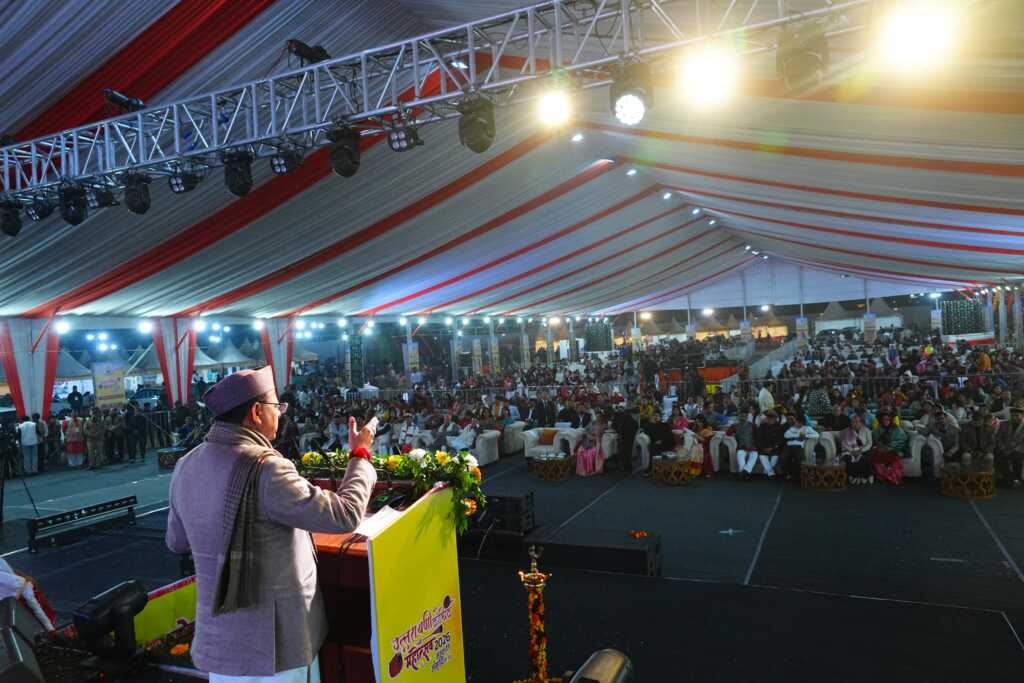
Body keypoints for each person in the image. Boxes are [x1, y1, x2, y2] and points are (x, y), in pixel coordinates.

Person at [165, 366, 378, 680]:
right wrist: (360, 454)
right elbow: (345, 513)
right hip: (275, 649)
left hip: (220, 646)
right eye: (276, 406)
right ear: (256, 412)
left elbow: (176, 542)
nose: (280, 413)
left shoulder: (186, 465)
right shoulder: (266, 469)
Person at [871, 412, 907, 485]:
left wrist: (889, 446)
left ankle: (892, 477)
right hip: (881, 450)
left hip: (894, 449)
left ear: (891, 420)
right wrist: (879, 446)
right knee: (875, 458)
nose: (885, 421)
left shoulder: (897, 429)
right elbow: (875, 441)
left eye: (887, 419)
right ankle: (884, 476)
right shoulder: (877, 430)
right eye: (884, 419)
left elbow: (901, 441)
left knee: (893, 459)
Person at [958, 408, 997, 473]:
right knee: (965, 457)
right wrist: (969, 450)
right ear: (972, 419)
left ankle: (986, 476)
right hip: (970, 450)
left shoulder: (990, 428)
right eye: (975, 421)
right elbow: (962, 441)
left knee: (990, 457)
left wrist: (985, 451)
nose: (977, 422)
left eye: (980, 421)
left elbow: (992, 442)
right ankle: (967, 475)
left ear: (983, 420)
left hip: (985, 450)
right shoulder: (965, 427)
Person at [995, 400, 1024, 488]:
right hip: (1004, 448)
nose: (1014, 417)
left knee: (1017, 458)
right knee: (998, 457)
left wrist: (1013, 450)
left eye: (1017, 416)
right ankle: (1013, 479)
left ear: (1022, 416)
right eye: (1012, 416)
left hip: (1018, 449)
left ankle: (1015, 479)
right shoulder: (1003, 424)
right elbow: (998, 438)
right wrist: (1002, 448)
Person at [839, 414, 873, 485]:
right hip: (849, 451)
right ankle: (854, 476)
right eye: (853, 422)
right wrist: (852, 451)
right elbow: (843, 443)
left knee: (865, 457)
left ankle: (864, 476)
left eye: (857, 421)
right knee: (848, 459)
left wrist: (861, 451)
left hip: (863, 450)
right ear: (851, 423)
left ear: (861, 423)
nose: (855, 423)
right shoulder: (845, 431)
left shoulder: (866, 430)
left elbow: (869, 443)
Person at [783, 412, 818, 480]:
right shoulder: (792, 428)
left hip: (799, 446)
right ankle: (788, 474)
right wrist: (797, 435)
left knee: (799, 458)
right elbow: (786, 435)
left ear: (801, 422)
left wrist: (806, 435)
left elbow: (817, 435)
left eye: (797, 422)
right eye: (795, 422)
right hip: (789, 446)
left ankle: (800, 476)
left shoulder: (807, 428)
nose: (795, 423)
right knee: (783, 458)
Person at [755, 410, 785, 479]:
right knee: (762, 456)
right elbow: (758, 439)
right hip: (763, 448)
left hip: (775, 448)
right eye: (768, 418)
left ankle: (766, 472)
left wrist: (772, 448)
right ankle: (771, 474)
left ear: (775, 419)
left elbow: (780, 440)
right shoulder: (762, 426)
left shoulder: (779, 427)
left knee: (775, 457)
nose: (770, 419)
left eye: (772, 418)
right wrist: (763, 448)